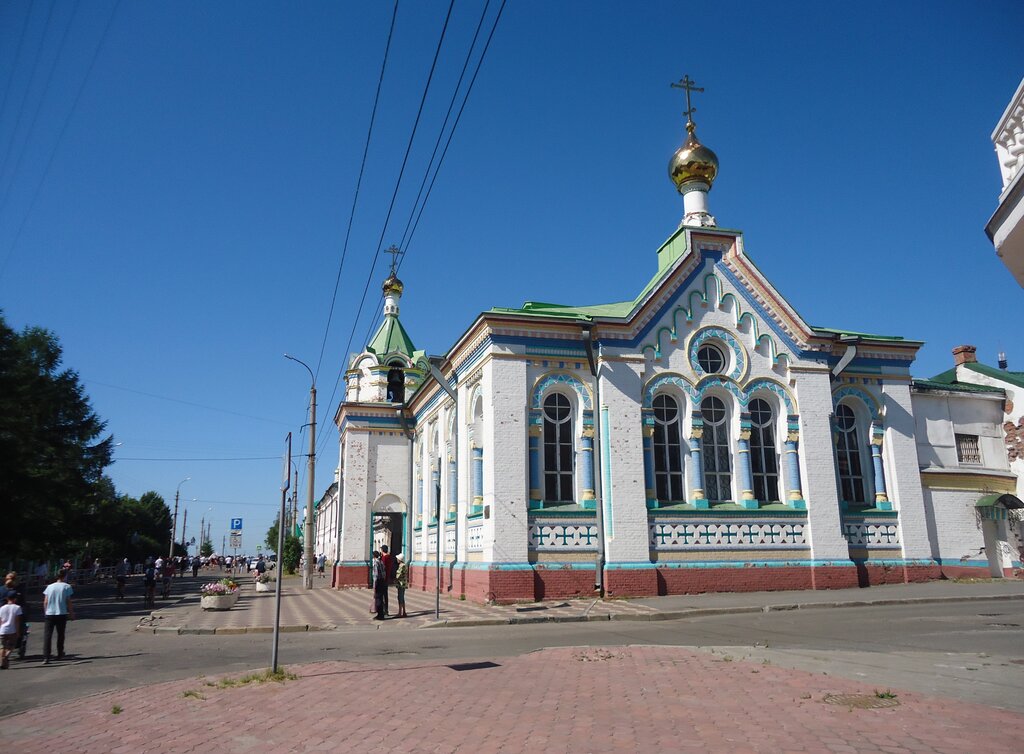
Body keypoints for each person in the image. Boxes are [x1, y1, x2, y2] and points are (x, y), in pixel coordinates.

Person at [42, 569, 74, 664]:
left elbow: (45, 601)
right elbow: (68, 601)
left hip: (50, 613)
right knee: (60, 634)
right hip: (61, 613)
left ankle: (46, 656)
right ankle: (60, 653)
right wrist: (71, 613)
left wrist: (45, 612)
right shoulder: (67, 587)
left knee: (47, 635)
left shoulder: (49, 587)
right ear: (64, 576)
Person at [2, 573, 27, 659]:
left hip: (10, 613)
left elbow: (23, 602)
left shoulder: (18, 589)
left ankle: (5, 653)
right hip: (9, 613)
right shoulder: (5, 590)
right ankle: (6, 654)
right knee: (17, 631)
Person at [1, 591, 23, 669]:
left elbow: (0, 620)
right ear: (15, 599)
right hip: (12, 630)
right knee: (11, 646)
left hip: (2, 630)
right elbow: (17, 621)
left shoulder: (2, 608)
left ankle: (2, 662)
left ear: (7, 598)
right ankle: (6, 657)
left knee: (2, 647)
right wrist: (18, 631)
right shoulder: (17, 608)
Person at [371, 551, 386, 620]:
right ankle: (381, 613)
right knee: (381, 598)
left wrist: (374, 584)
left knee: (378, 598)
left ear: (374, 556)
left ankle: (380, 615)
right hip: (382, 581)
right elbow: (384, 573)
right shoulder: (381, 562)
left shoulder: (376, 563)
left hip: (378, 582)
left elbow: (376, 575)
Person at [379, 545, 393, 616]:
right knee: (385, 595)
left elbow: (382, 568)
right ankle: (386, 610)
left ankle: (384, 611)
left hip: (383, 579)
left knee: (382, 595)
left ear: (382, 550)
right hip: (387, 578)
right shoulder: (389, 557)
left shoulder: (384, 558)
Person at [394, 553, 408, 618]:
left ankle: (400, 612)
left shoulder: (401, 566)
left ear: (400, 559)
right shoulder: (404, 565)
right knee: (402, 598)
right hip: (404, 583)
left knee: (400, 598)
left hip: (401, 584)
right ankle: (404, 612)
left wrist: (395, 580)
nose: (397, 559)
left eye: (397, 558)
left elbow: (398, 575)